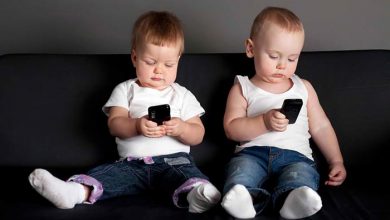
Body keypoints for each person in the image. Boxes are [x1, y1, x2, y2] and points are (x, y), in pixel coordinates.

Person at [28, 11, 221, 213]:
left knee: (187, 176)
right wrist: (137, 125)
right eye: (150, 62)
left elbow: (198, 134)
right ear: (135, 57)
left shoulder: (182, 95)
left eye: (169, 64)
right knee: (108, 176)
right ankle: (73, 192)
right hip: (132, 165)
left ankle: (199, 195)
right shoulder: (126, 90)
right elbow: (115, 124)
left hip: (175, 161)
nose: (159, 70)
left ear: (178, 61)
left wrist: (181, 128)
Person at [220, 7, 347, 219]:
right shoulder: (242, 88)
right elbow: (231, 129)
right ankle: (243, 199)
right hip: (252, 154)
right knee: (241, 171)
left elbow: (321, 126)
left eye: (291, 59)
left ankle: (294, 200)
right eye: (274, 56)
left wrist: (336, 161)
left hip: (295, 156)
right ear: (251, 48)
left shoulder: (304, 87)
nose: (282, 65)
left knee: (301, 175)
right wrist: (263, 122)